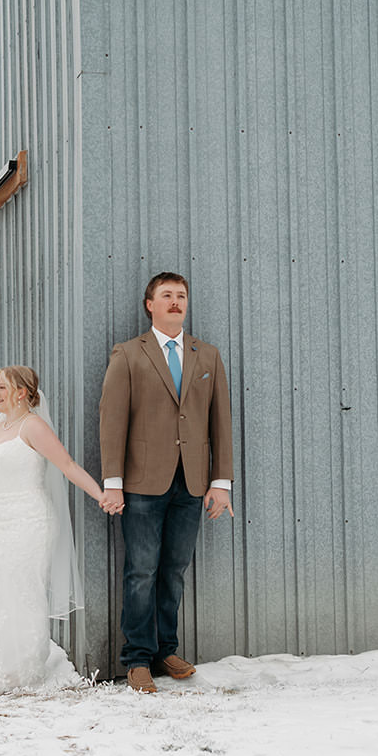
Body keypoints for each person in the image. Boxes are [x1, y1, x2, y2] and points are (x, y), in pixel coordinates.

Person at [98, 272, 234, 693]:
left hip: (191, 483)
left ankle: (165, 651)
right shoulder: (128, 354)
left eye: (181, 296)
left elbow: (221, 423)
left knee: (173, 570)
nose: (176, 302)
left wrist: (221, 481)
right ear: (150, 304)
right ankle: (137, 658)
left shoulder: (207, 356)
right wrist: (113, 482)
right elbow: (112, 421)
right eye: (167, 296)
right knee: (141, 570)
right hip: (141, 482)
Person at [0, 364, 110, 693]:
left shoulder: (33, 427)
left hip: (32, 521)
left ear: (22, 393)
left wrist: (101, 496)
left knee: (23, 592)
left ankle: (24, 668)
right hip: (0, 525)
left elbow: (68, 465)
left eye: (3, 388)